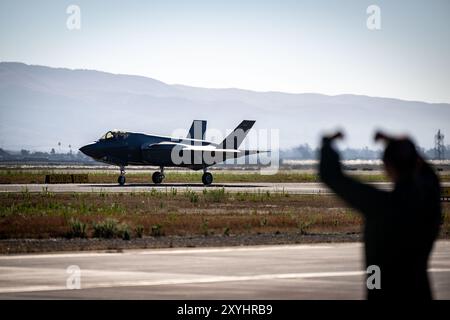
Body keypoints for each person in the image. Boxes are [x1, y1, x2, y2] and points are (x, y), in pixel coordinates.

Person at [319, 131, 442, 299]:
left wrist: (327, 144)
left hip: (381, 291)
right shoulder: (427, 205)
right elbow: (430, 177)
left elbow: (331, 176)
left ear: (386, 166)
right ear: (415, 164)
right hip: (418, 291)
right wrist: (402, 146)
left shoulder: (380, 206)